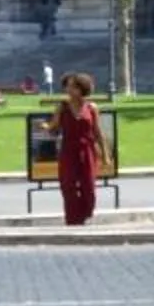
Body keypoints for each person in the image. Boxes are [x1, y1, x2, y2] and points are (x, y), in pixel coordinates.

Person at [54, 72, 102, 228]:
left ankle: (85, 212)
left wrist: (106, 154)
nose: (69, 90)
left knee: (89, 186)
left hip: (87, 149)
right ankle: (73, 220)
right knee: (68, 185)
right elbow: (53, 125)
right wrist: (45, 127)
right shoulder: (62, 107)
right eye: (67, 86)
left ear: (82, 88)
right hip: (68, 150)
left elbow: (97, 131)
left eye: (73, 87)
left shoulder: (92, 108)